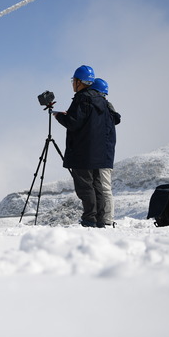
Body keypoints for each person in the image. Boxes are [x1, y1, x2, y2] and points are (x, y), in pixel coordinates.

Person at [54, 66, 117, 228]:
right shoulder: (102, 102)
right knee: (97, 187)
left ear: (79, 82)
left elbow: (73, 123)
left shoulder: (82, 98)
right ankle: (100, 220)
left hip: (83, 151)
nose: (72, 84)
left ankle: (90, 219)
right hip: (98, 153)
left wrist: (59, 116)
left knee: (85, 187)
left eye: (73, 81)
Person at [89, 77, 121, 228]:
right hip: (103, 154)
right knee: (102, 186)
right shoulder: (107, 109)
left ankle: (107, 219)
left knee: (104, 187)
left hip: (103, 154)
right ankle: (104, 217)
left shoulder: (103, 110)